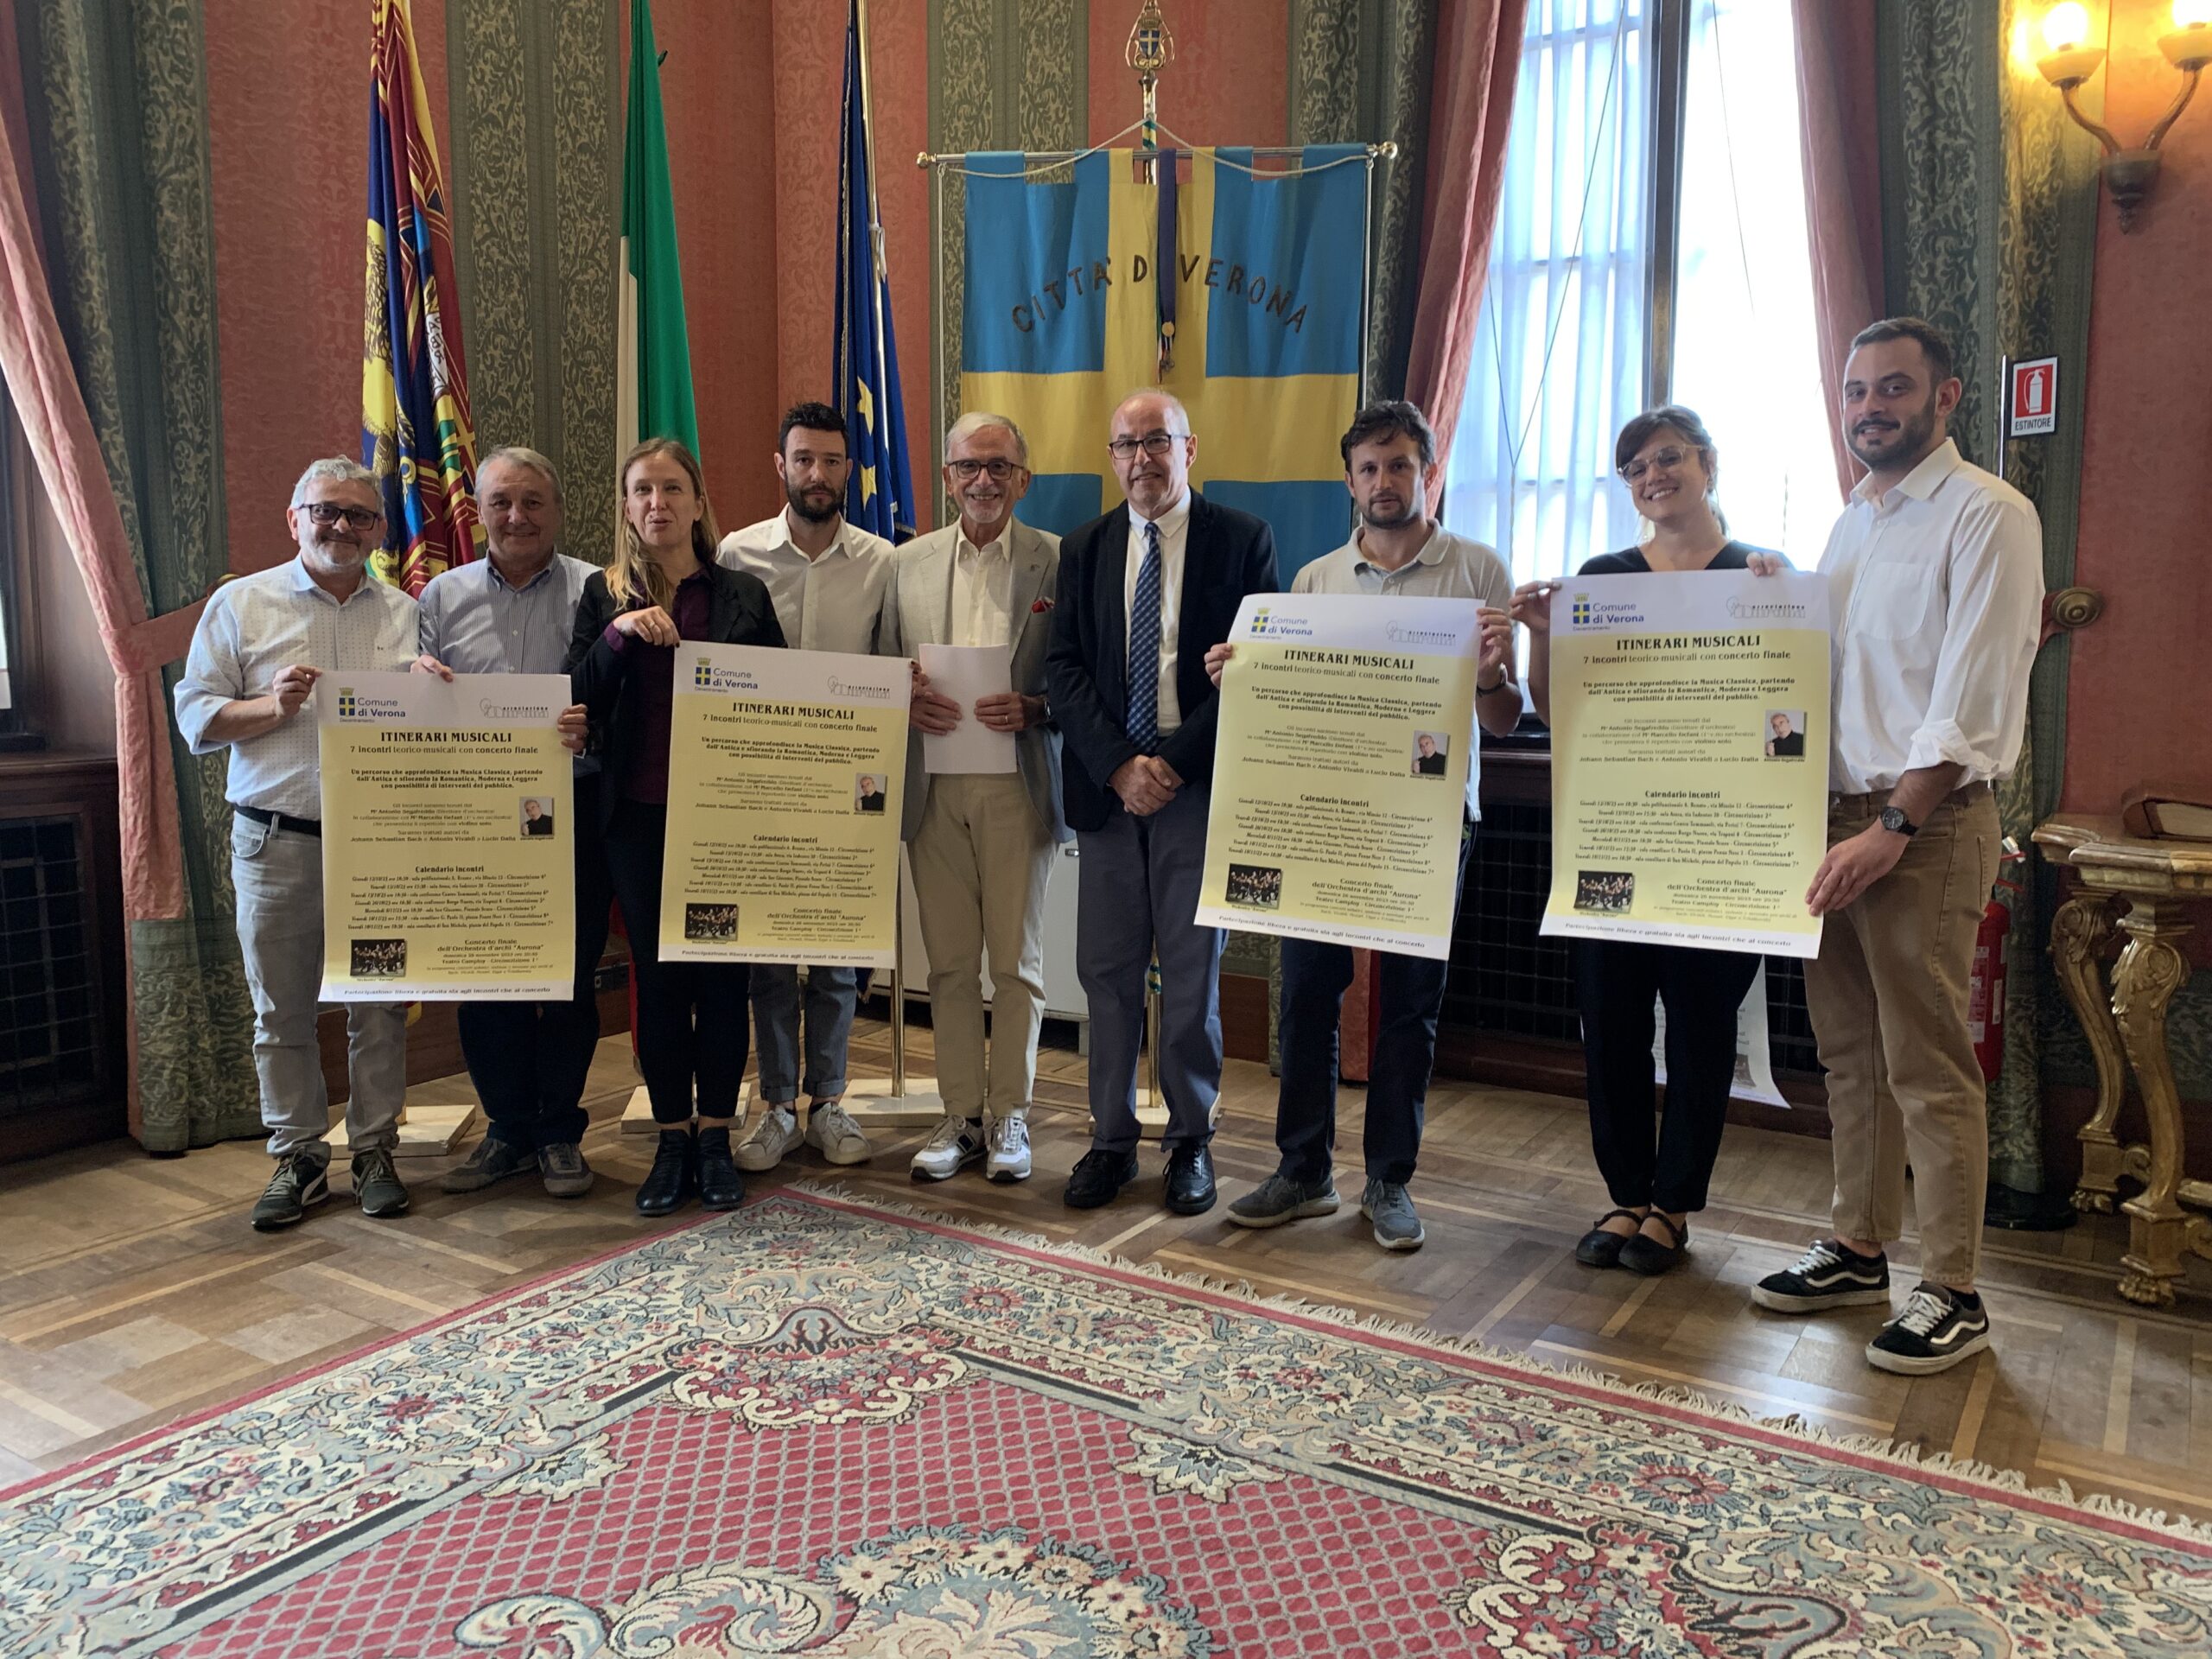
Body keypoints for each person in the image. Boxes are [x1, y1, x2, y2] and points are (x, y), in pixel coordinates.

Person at [1749, 318, 2041, 1375]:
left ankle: (1952, 1288)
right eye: (1855, 390)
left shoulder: (1988, 514)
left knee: (1926, 1059)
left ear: (1944, 397)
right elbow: (1839, 677)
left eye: (1893, 388)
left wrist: (1893, 826)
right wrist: (1774, 597)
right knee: (1849, 1051)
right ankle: (1858, 1246)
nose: (1869, 408)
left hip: (1924, 823)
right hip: (1834, 820)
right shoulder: (1852, 525)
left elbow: (1969, 698)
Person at [1211, 400, 1516, 1252]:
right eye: (1369, 468)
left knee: (1409, 1006)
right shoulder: (1315, 581)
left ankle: (1389, 1179)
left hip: (1428, 820)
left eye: (1400, 465)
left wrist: (1492, 676)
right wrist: (1244, 677)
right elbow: (1294, 704)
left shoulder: (1479, 569)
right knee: (1307, 992)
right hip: (1325, 814)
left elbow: (1501, 720)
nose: (1384, 482)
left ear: (1428, 471)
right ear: (1349, 481)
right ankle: (1303, 1169)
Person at [1511, 405, 1775, 1276]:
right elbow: (1558, 709)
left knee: (1700, 1026)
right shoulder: (1604, 579)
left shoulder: (1759, 576)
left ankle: (1674, 1206)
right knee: (1612, 1022)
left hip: (1717, 843)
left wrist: (1787, 606)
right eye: (1635, 467)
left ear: (1707, 463)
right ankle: (1625, 1193)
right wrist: (1541, 635)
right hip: (1614, 838)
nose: (1653, 476)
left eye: (1668, 458)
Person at [1047, 390, 1278, 1216]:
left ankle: (1190, 1141)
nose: (1141, 459)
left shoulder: (1242, 540)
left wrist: (1169, 766)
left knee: (1189, 977)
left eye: (1157, 441)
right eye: (1126, 445)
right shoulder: (1085, 546)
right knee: (1105, 976)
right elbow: (1063, 669)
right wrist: (1120, 766)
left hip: (1195, 788)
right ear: (1112, 457)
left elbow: (1254, 669)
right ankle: (1110, 1140)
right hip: (1110, 795)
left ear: (1189, 448)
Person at [175, 458, 421, 1231]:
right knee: (280, 1011)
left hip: (378, 849)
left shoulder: (406, 613)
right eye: (326, 511)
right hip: (278, 843)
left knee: (378, 1008)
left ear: (378, 531)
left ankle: (375, 1150)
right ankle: (300, 1158)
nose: (341, 526)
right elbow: (195, 716)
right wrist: (270, 707)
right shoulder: (240, 603)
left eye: (359, 515)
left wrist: (434, 692)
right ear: (295, 519)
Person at [569, 438, 785, 1217]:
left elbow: (781, 698)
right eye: (641, 491)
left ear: (697, 502)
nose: (656, 503)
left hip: (724, 822)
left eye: (671, 489)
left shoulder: (742, 594)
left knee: (722, 979)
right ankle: (671, 1139)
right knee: (658, 981)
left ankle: (716, 1136)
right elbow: (575, 697)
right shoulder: (603, 595)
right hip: (636, 820)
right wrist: (620, 635)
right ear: (627, 508)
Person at [881, 412, 1067, 1185]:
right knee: (950, 964)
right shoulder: (905, 564)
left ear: (1023, 478)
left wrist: (1038, 706)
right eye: (968, 466)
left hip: (1019, 783)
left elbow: (1081, 671)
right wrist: (901, 694)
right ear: (947, 477)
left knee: (1016, 963)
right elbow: (882, 665)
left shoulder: (1059, 559)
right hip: (932, 784)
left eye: (998, 466)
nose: (983, 480)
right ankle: (960, 1115)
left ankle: (1010, 1114)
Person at [416, 447, 599, 1200]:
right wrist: (416, 685)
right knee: (486, 980)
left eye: (532, 502)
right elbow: (412, 710)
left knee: (569, 980)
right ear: (479, 512)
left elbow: (623, 698)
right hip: (477, 818)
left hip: (574, 811)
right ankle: (507, 1130)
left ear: (558, 510)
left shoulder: (598, 588)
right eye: (501, 502)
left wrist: (595, 727)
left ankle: (559, 1131)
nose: (517, 517)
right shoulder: (440, 597)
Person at [721, 402, 894, 1174]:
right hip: (761, 786)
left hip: (847, 789)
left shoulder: (882, 562)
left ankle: (827, 1101)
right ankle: (776, 1108)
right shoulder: (736, 553)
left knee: (836, 959)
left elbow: (892, 663)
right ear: (781, 466)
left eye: (830, 460)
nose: (817, 474)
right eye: (803, 459)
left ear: (848, 469)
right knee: (765, 960)